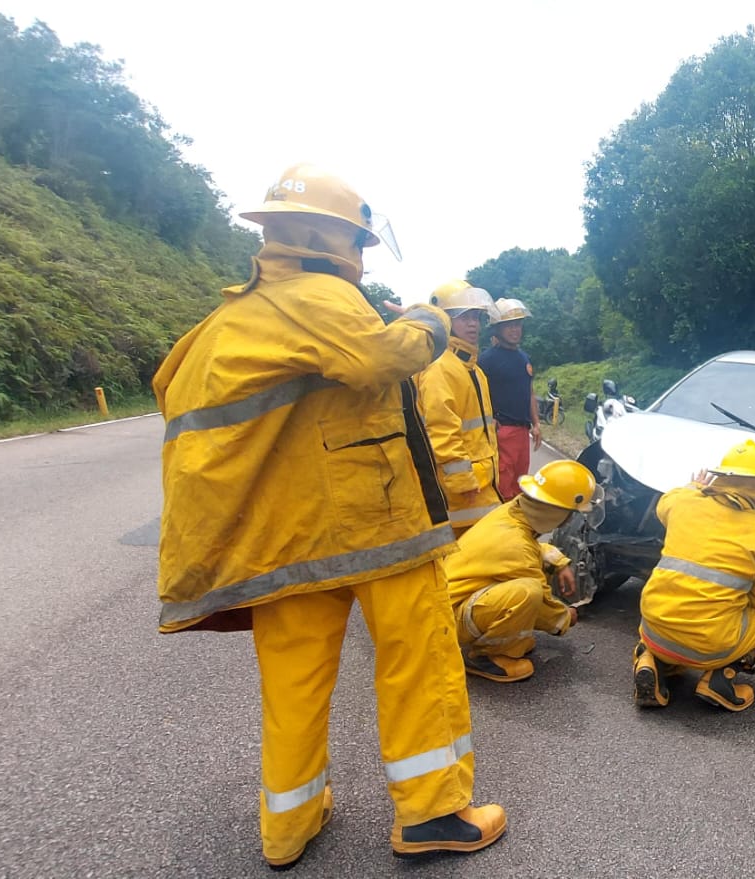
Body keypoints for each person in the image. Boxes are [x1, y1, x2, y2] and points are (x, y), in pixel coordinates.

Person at [152, 163, 506, 870]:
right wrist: (428, 319)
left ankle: (289, 824)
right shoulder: (319, 296)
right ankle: (434, 813)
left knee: (293, 682)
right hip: (372, 525)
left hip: (283, 541)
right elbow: (383, 356)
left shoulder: (226, 322)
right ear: (332, 236)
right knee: (417, 660)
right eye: (360, 242)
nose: (363, 256)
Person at [633, 439, 755, 713]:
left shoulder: (683, 502)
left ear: (721, 476)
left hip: (653, 629)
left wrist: (694, 487)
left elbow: (665, 503)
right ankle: (720, 679)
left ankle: (651, 661)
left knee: (671, 607)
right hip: (710, 645)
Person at [444, 459, 597, 683]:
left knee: (530, 580)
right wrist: (566, 617)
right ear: (556, 513)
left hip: (452, 604)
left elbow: (531, 549)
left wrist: (559, 562)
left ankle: (504, 638)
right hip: (449, 622)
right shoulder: (516, 546)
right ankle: (482, 656)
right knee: (529, 592)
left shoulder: (511, 515)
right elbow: (544, 606)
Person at [412, 279, 502, 535]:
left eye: (476, 316)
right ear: (445, 320)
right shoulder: (440, 368)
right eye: (464, 317)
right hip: (463, 495)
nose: (473, 323)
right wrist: (462, 480)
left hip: (483, 485)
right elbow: (440, 429)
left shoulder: (473, 369)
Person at [478, 297, 541, 499]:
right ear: (496, 329)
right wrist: (489, 419)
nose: (515, 330)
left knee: (520, 484)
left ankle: (515, 525)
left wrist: (536, 423)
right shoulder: (487, 360)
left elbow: (529, 392)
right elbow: (478, 394)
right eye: (509, 326)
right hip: (501, 431)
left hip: (523, 432)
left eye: (518, 325)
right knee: (502, 485)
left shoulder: (524, 358)